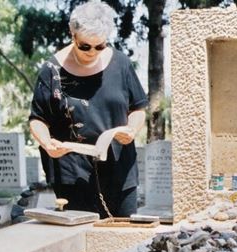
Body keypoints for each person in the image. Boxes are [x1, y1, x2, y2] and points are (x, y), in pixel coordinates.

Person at [29, 0, 148, 218]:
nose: (92, 52)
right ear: (72, 34)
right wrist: (47, 143)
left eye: (100, 46)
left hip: (119, 169)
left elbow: (138, 108)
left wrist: (132, 130)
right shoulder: (51, 70)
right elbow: (37, 119)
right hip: (72, 172)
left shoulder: (121, 63)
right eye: (85, 46)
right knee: (80, 238)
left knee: (122, 238)